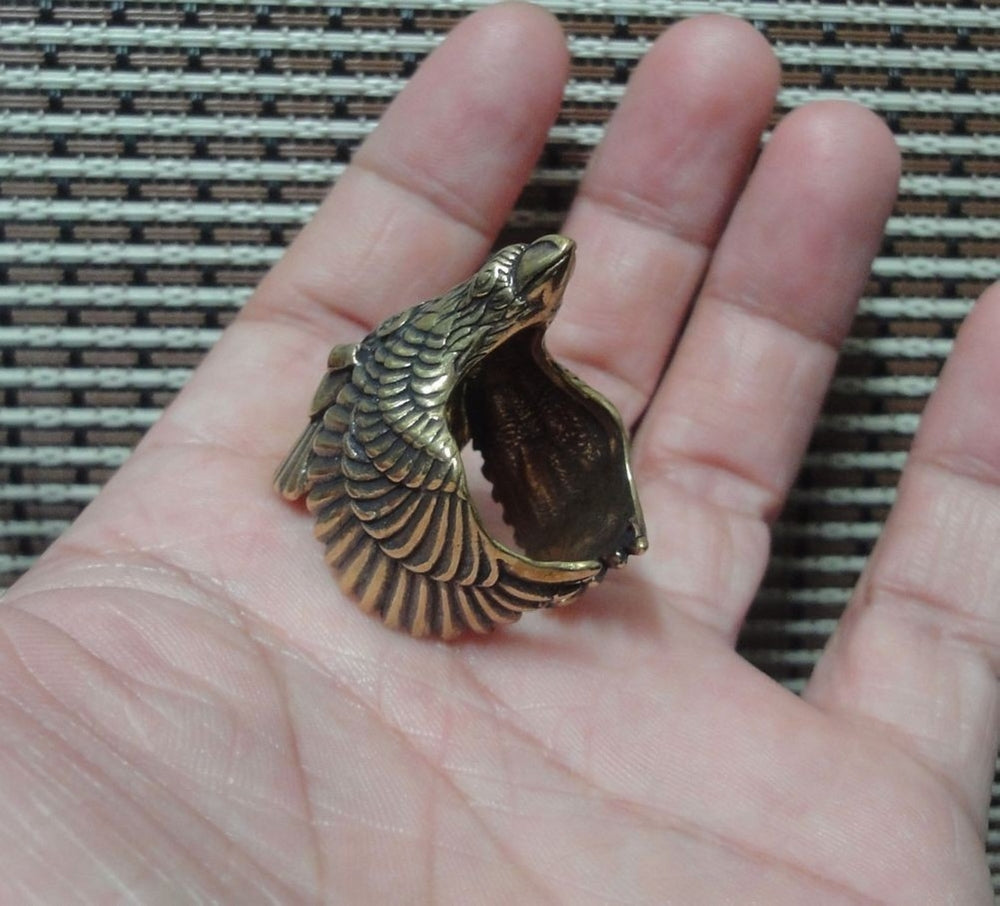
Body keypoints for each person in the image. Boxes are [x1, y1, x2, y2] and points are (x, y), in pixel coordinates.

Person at [2, 5, 995, 902]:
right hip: (425, 498)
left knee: (549, 437)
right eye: (526, 281)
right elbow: (370, 377)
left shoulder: (477, 355)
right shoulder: (426, 368)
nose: (545, 271)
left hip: (465, 476)